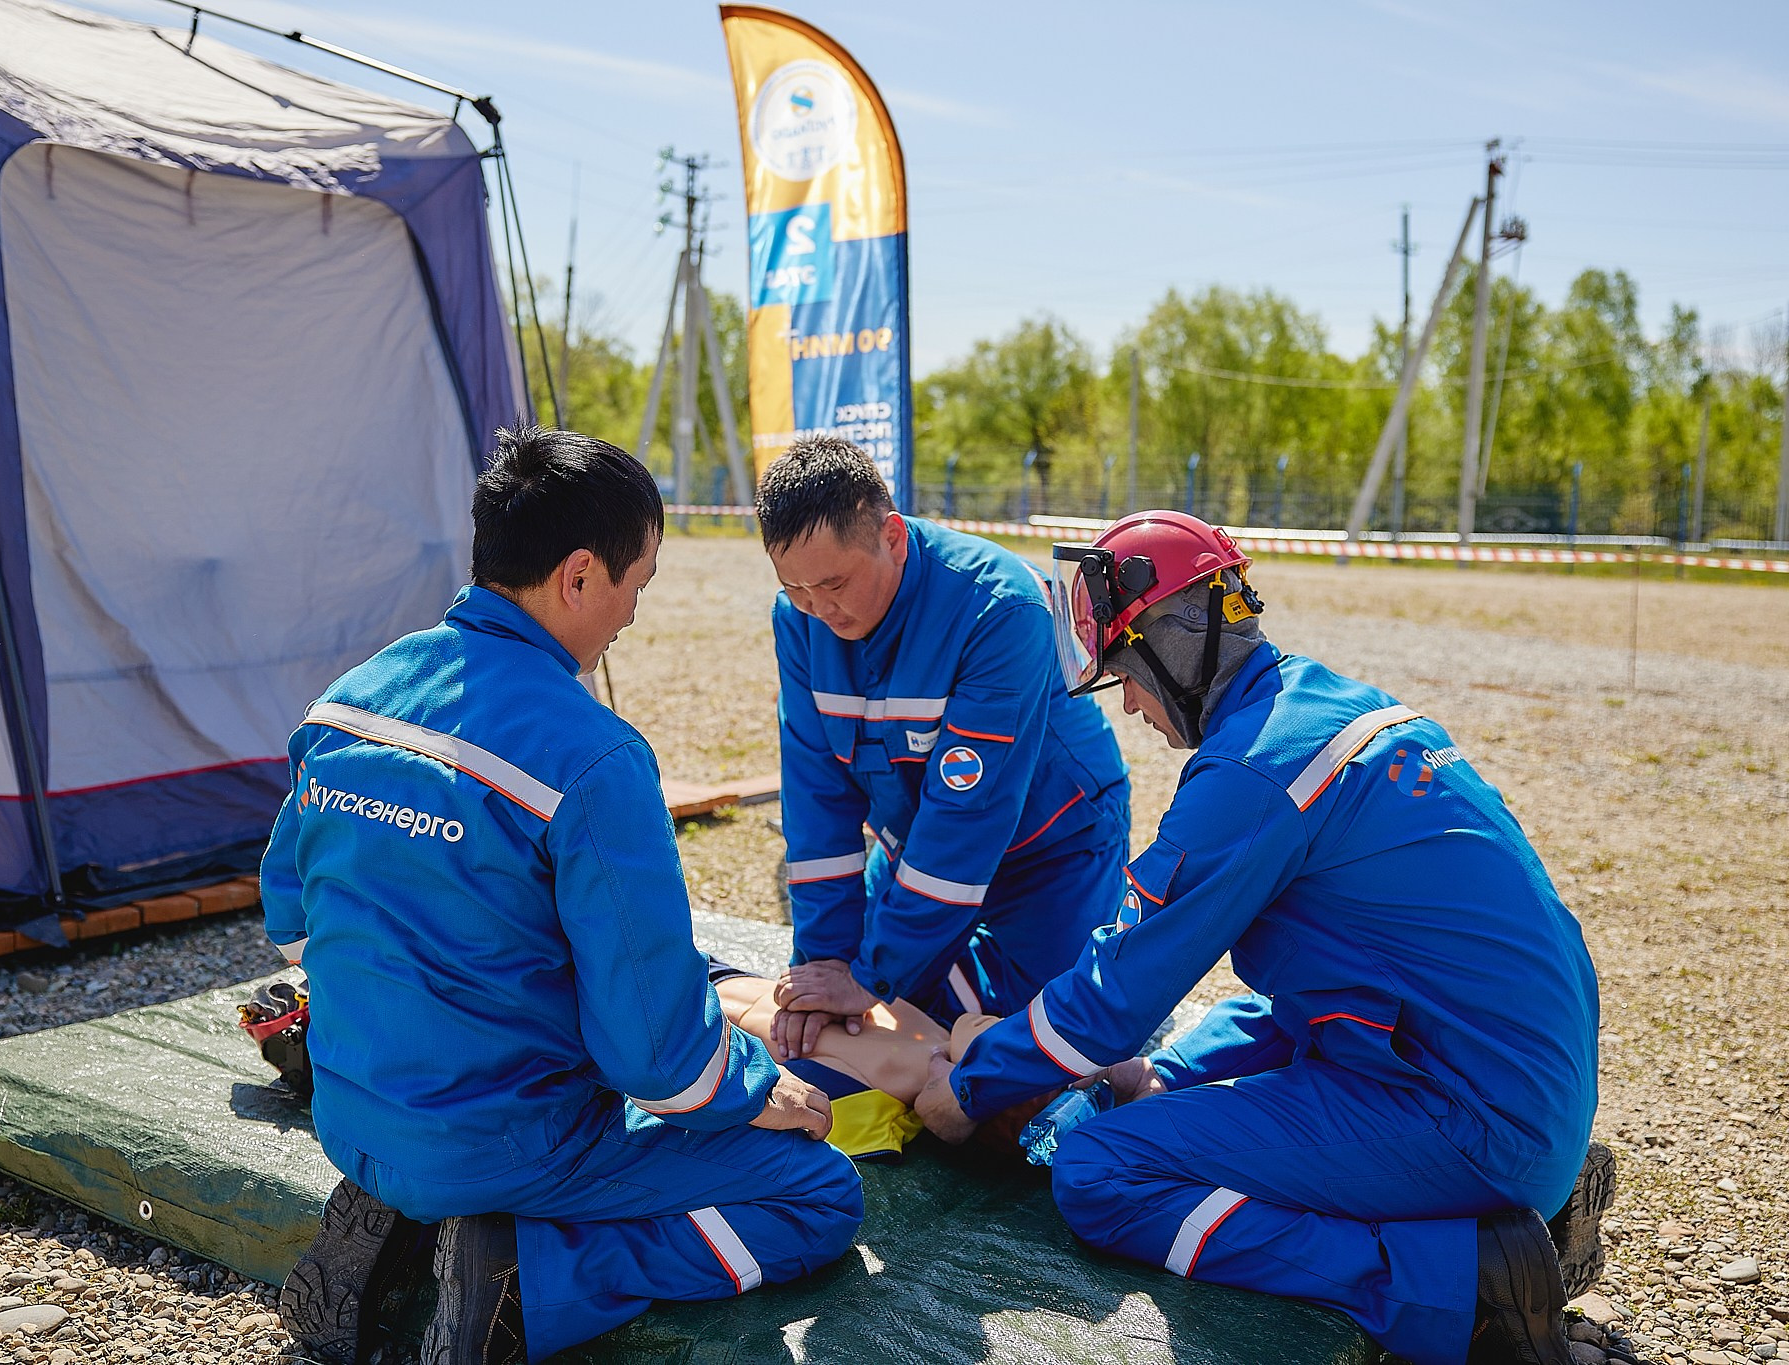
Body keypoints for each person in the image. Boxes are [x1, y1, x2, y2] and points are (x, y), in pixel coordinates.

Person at [914, 510, 1613, 1365]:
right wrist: (1166, 1073)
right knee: (1179, 1099)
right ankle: (1497, 1219)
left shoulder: (1250, 774)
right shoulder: (1327, 709)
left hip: (1475, 1118)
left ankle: (1457, 1281)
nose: (1128, 702)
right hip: (1524, 1084)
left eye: (1127, 671)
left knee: (1100, 1172)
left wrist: (970, 1089)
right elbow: (1324, 990)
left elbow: (1112, 995)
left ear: (1178, 640)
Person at [259, 428, 862, 1365]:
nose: (631, 615)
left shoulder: (348, 702)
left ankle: (415, 1225)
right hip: (509, 1144)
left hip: (355, 1112)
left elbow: (292, 919)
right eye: (637, 585)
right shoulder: (596, 759)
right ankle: (525, 1280)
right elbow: (655, 1057)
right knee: (819, 1195)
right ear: (580, 575)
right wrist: (755, 1089)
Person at [756, 437, 1132, 1059]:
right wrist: (825, 965)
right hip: (916, 845)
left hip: (1051, 849)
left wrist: (871, 977)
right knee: (850, 1010)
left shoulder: (1001, 607)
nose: (819, 610)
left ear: (893, 538)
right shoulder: (798, 617)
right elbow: (816, 799)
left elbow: (967, 821)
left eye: (834, 583)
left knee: (1044, 1040)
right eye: (795, 588)